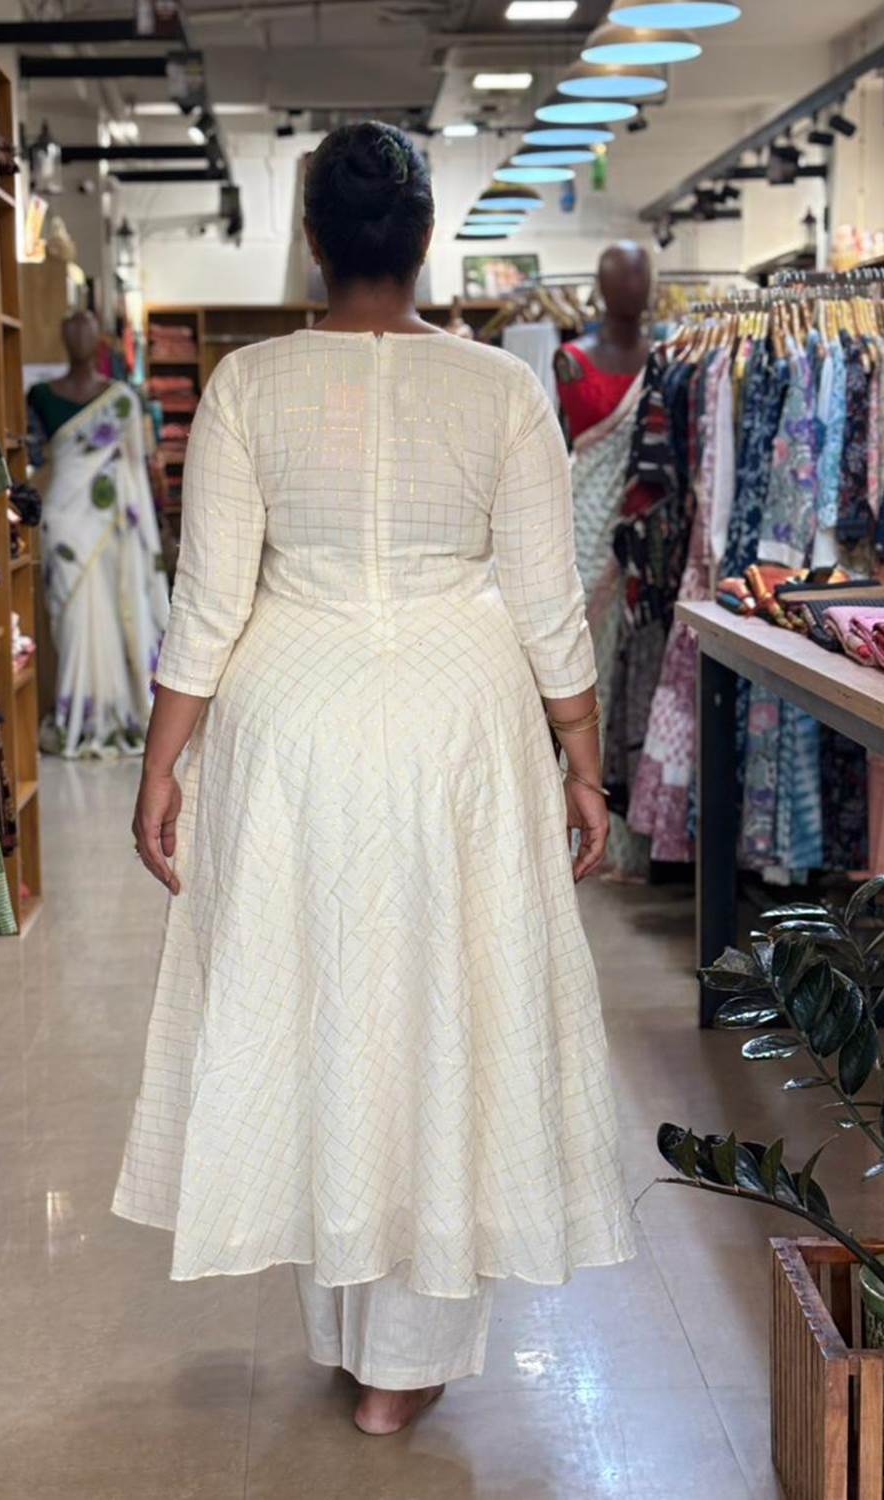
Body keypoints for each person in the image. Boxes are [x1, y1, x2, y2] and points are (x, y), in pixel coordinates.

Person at [114, 121, 633, 1437]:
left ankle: (355, 1329)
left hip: (295, 724)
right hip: (457, 724)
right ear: (425, 242)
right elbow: (546, 602)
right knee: (441, 1011)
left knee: (321, 1008)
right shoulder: (502, 389)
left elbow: (209, 601)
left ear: (312, 243)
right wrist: (582, 761)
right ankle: (400, 1360)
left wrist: (163, 763)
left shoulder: (247, 385)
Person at [28, 309, 169, 759]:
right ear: (62, 338)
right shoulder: (39, 395)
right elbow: (33, 457)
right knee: (72, 621)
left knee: (113, 610)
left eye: (86, 332)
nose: (79, 339)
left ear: (99, 341)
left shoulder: (122, 400)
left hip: (113, 524)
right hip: (64, 523)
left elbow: (135, 470)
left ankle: (115, 709)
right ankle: (78, 712)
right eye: (71, 332)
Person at [554, 243, 653, 880]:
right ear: (601, 284)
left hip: (646, 536)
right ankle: (580, 809)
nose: (634, 288)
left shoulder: (668, 358)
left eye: (641, 276)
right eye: (622, 277)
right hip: (587, 526)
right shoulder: (572, 358)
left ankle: (635, 835)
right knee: (580, 670)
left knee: (637, 669)